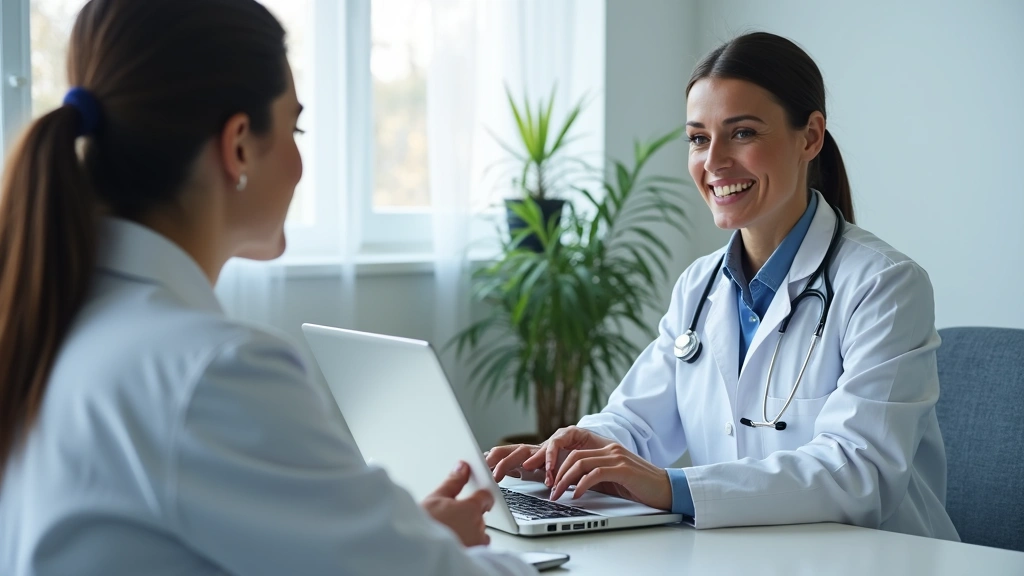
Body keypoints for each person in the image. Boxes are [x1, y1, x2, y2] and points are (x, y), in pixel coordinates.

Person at [0, 1, 535, 574]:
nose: (301, 161)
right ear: (237, 146)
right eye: (294, 128)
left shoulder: (53, 324)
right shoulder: (213, 371)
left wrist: (397, 541)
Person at [486, 31, 960, 541]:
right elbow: (637, 422)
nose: (713, 161)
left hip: (880, 556)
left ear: (810, 137)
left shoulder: (885, 285)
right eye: (698, 138)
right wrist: (575, 448)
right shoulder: (700, 286)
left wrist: (672, 487)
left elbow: (859, 473)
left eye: (742, 133)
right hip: (747, 552)